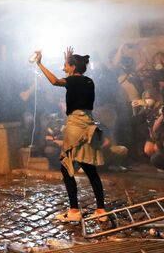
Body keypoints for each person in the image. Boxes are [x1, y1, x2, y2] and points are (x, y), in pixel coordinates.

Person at [34, 47, 107, 222]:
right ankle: (101, 210)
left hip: (75, 125)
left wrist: (40, 63)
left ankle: (74, 211)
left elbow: (54, 81)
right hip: (89, 125)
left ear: (73, 67)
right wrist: (70, 62)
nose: (63, 67)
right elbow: (73, 78)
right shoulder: (89, 81)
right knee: (90, 169)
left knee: (66, 168)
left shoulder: (72, 81)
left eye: (66, 65)